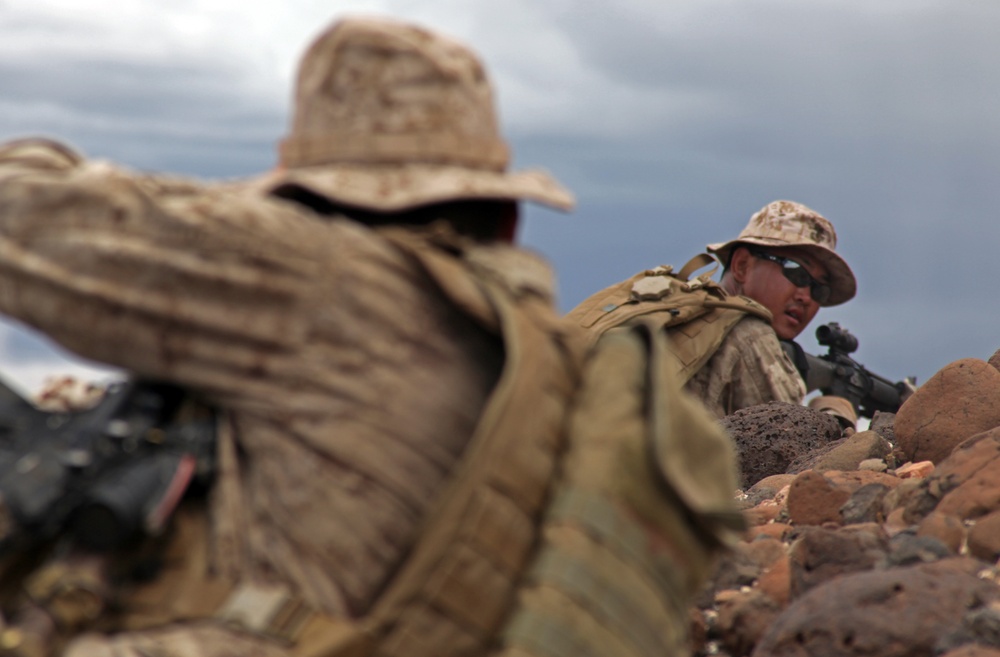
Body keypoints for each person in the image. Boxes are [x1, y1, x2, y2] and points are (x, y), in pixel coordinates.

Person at [0, 15, 743, 657]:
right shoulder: (543, 359)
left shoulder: (322, 275)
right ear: (505, 215)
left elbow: (17, 208)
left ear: (306, 193)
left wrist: (247, 203)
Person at [567, 200, 858, 422]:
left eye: (819, 290)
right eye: (797, 273)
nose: (806, 296)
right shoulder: (750, 334)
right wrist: (836, 411)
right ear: (742, 265)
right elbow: (795, 456)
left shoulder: (668, 306)